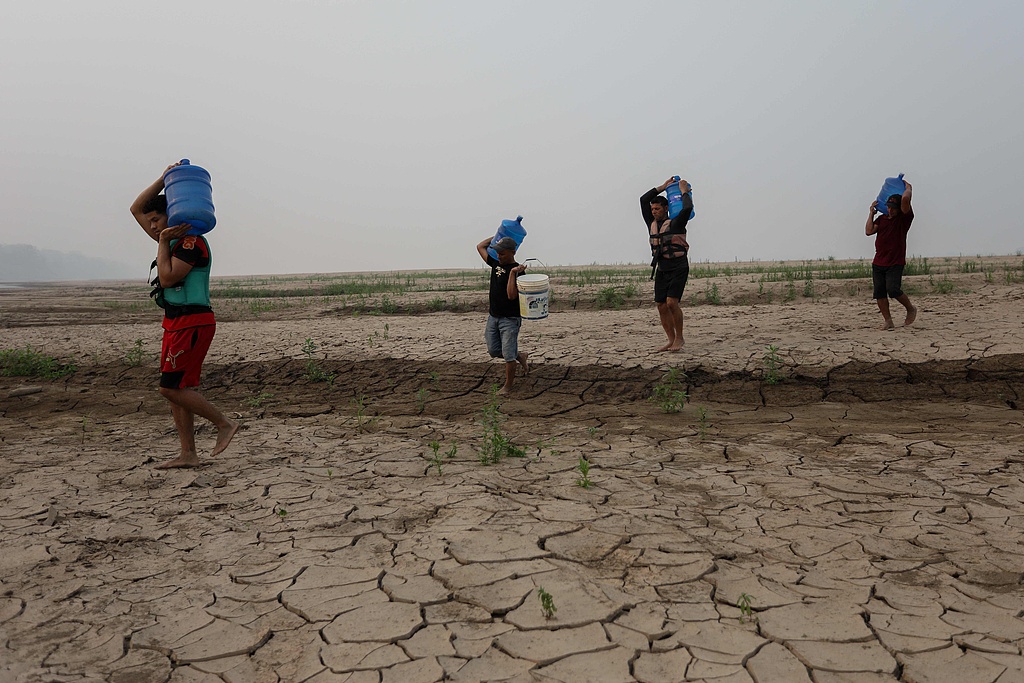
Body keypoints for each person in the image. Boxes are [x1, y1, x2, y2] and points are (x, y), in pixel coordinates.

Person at [130, 163, 238, 468]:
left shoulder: (189, 243)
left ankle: (224, 424)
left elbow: (167, 279)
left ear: (172, 215)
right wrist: (164, 177)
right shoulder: (171, 241)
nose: (151, 227)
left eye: (156, 221)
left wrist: (164, 241)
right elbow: (136, 208)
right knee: (179, 391)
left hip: (193, 322)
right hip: (175, 323)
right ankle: (188, 453)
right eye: (150, 223)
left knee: (170, 387)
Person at [640, 178, 693, 352]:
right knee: (661, 305)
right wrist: (662, 187)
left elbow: (687, 208)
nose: (654, 212)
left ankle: (680, 338)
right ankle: (670, 340)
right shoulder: (651, 224)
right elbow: (643, 199)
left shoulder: (677, 223)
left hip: (678, 266)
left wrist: (684, 191)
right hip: (662, 268)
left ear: (666, 209)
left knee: (671, 303)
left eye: (657, 209)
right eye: (652, 209)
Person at [475, 236, 530, 395]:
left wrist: (512, 274)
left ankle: (508, 386)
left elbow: (511, 295)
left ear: (513, 252)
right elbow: (480, 246)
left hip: (510, 319)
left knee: (508, 356)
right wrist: (498, 234)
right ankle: (520, 356)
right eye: (497, 252)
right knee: (493, 350)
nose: (499, 256)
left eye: (503, 253)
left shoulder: (519, 271)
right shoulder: (495, 262)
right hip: (493, 316)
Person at [866, 180, 917, 330]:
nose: (890, 210)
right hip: (879, 262)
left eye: (894, 208)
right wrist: (871, 213)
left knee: (893, 290)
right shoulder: (882, 219)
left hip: (895, 261)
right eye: (889, 207)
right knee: (879, 293)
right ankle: (888, 321)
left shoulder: (904, 219)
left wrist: (908, 188)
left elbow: (906, 199)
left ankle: (910, 309)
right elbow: (868, 231)